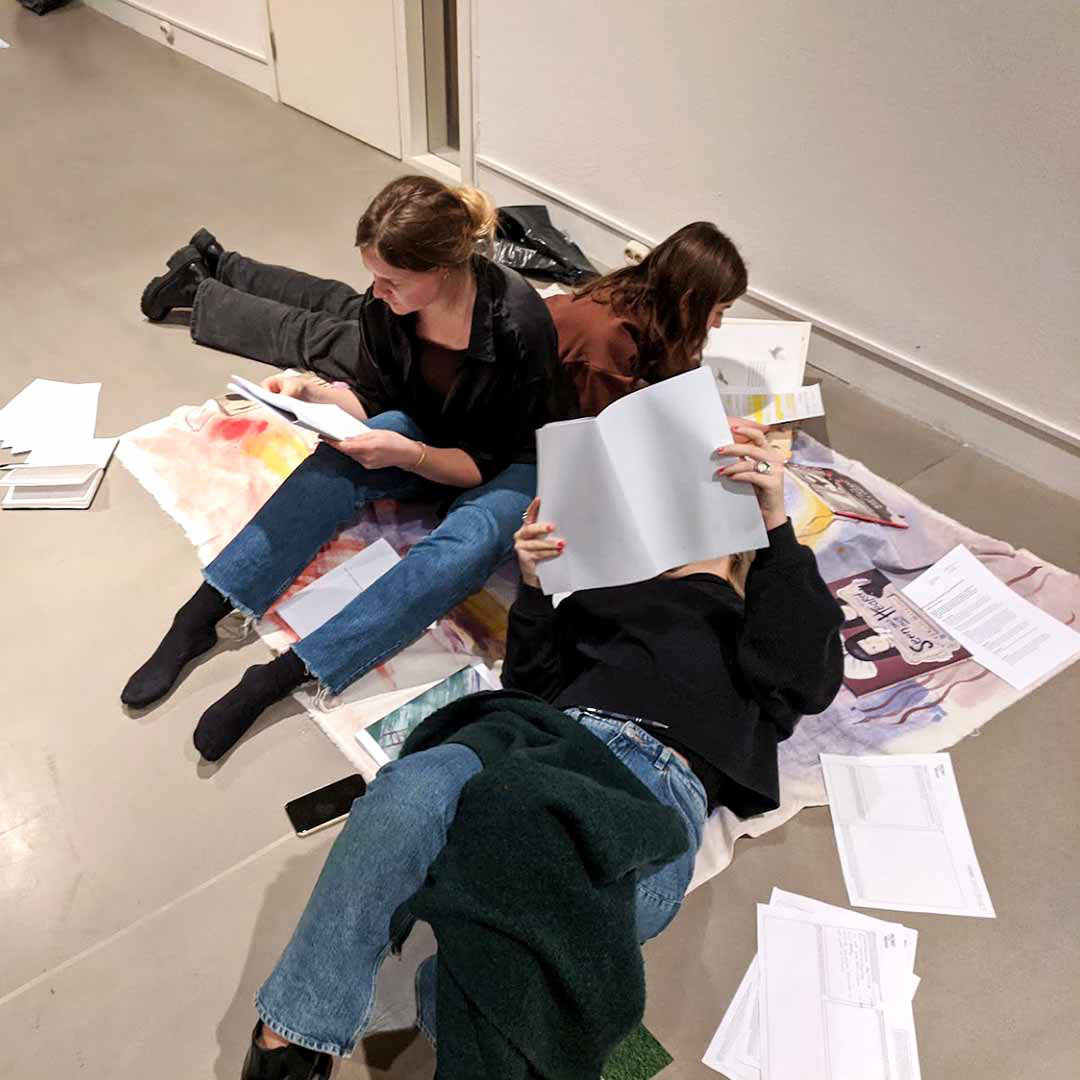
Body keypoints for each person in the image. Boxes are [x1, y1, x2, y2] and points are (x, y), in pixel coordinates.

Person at [234, 423, 844, 1079]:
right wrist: (533, 585)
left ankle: (458, 1008)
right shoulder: (610, 591)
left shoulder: (763, 614)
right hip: (540, 738)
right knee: (408, 794)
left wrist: (775, 525)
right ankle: (294, 1026)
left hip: (653, 786)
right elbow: (529, 683)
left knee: (591, 913)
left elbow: (807, 678)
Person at [122, 175, 575, 761]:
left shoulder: (518, 325)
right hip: (433, 427)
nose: (376, 291)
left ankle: (285, 673)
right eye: (374, 275)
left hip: (508, 458)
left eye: (392, 280)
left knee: (466, 547)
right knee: (333, 464)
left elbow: (483, 461)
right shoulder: (387, 307)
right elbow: (378, 395)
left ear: (443, 270)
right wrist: (311, 394)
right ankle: (204, 609)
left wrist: (407, 455)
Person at [547, 221, 748, 415]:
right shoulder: (609, 340)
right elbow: (604, 423)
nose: (718, 324)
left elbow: (667, 372)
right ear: (687, 303)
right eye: (719, 311)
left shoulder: (643, 299)